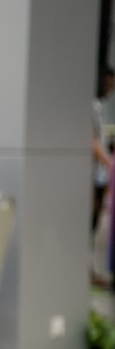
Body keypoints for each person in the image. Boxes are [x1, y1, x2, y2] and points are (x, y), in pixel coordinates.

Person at [92, 67, 114, 232]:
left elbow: (105, 133)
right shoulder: (92, 105)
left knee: (98, 213)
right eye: (107, 84)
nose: (109, 89)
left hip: (101, 170)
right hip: (93, 170)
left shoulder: (102, 105)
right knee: (93, 211)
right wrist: (110, 162)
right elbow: (93, 141)